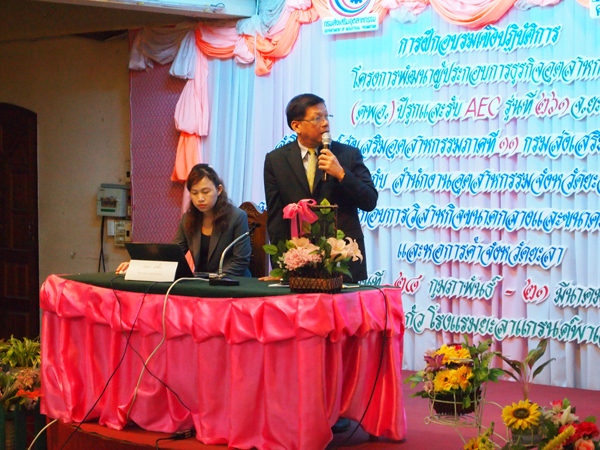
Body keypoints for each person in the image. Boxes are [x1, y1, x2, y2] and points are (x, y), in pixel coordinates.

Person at [263, 93, 378, 282]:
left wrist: (342, 174)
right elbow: (276, 218)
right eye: (317, 118)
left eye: (326, 116)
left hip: (341, 260)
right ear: (296, 126)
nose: (325, 123)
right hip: (298, 262)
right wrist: (280, 267)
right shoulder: (276, 160)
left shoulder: (348, 155)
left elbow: (370, 201)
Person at [117, 164, 251, 277]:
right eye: (194, 193)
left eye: (205, 192)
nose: (200, 198)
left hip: (232, 283)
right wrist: (139, 265)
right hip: (200, 284)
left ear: (219, 190)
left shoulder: (237, 217)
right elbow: (172, 255)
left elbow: (241, 261)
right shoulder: (188, 218)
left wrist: (211, 279)